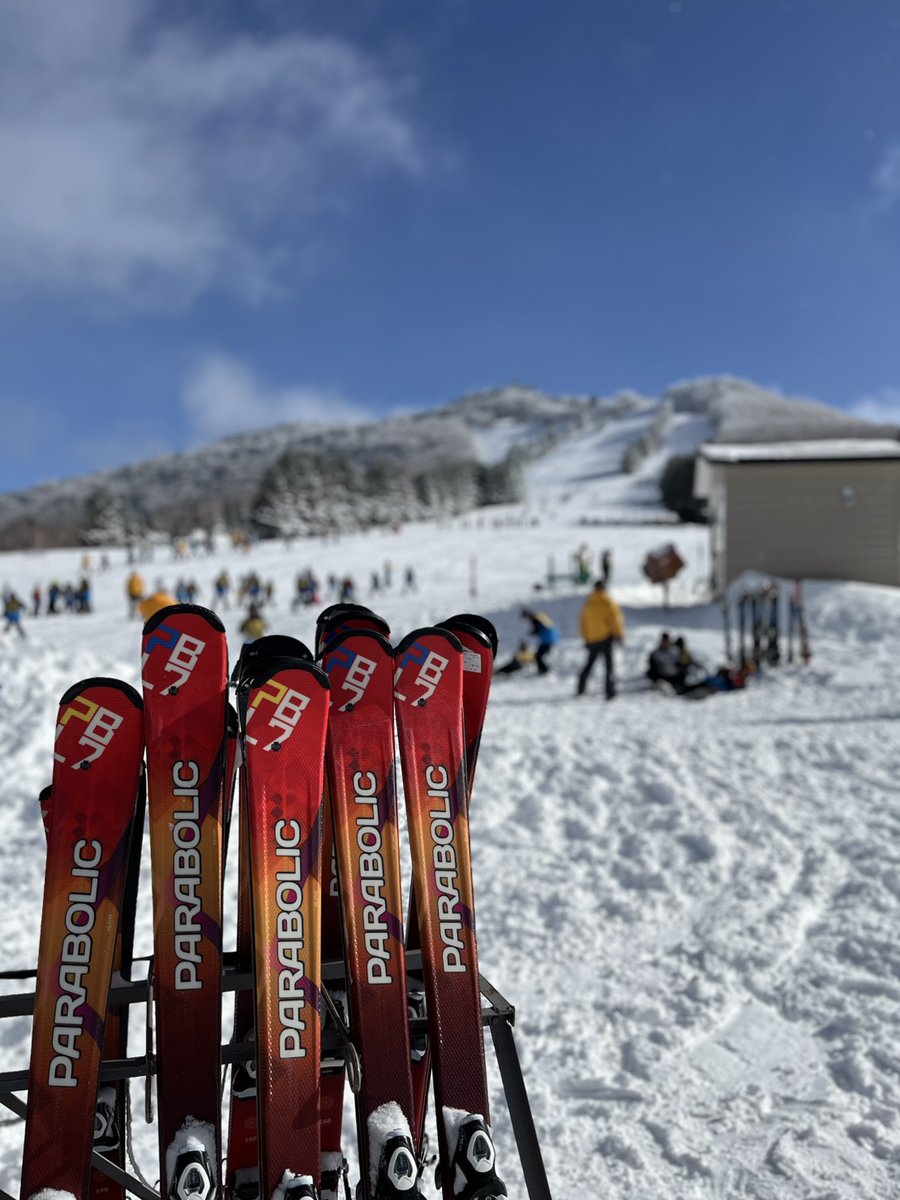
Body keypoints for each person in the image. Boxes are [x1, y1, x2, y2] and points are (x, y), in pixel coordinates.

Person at [576, 579, 625, 698]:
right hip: (606, 638)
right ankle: (609, 691)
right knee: (609, 666)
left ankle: (581, 687)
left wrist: (586, 637)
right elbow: (616, 621)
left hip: (592, 639)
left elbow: (583, 622)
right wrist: (619, 635)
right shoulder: (608, 602)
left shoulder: (589, 603)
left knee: (589, 664)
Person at [520, 609, 559, 675]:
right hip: (552, 638)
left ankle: (544, 670)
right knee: (539, 656)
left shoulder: (534, 619)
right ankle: (544, 669)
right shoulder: (538, 615)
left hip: (547, 640)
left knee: (538, 656)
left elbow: (537, 629)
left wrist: (531, 633)